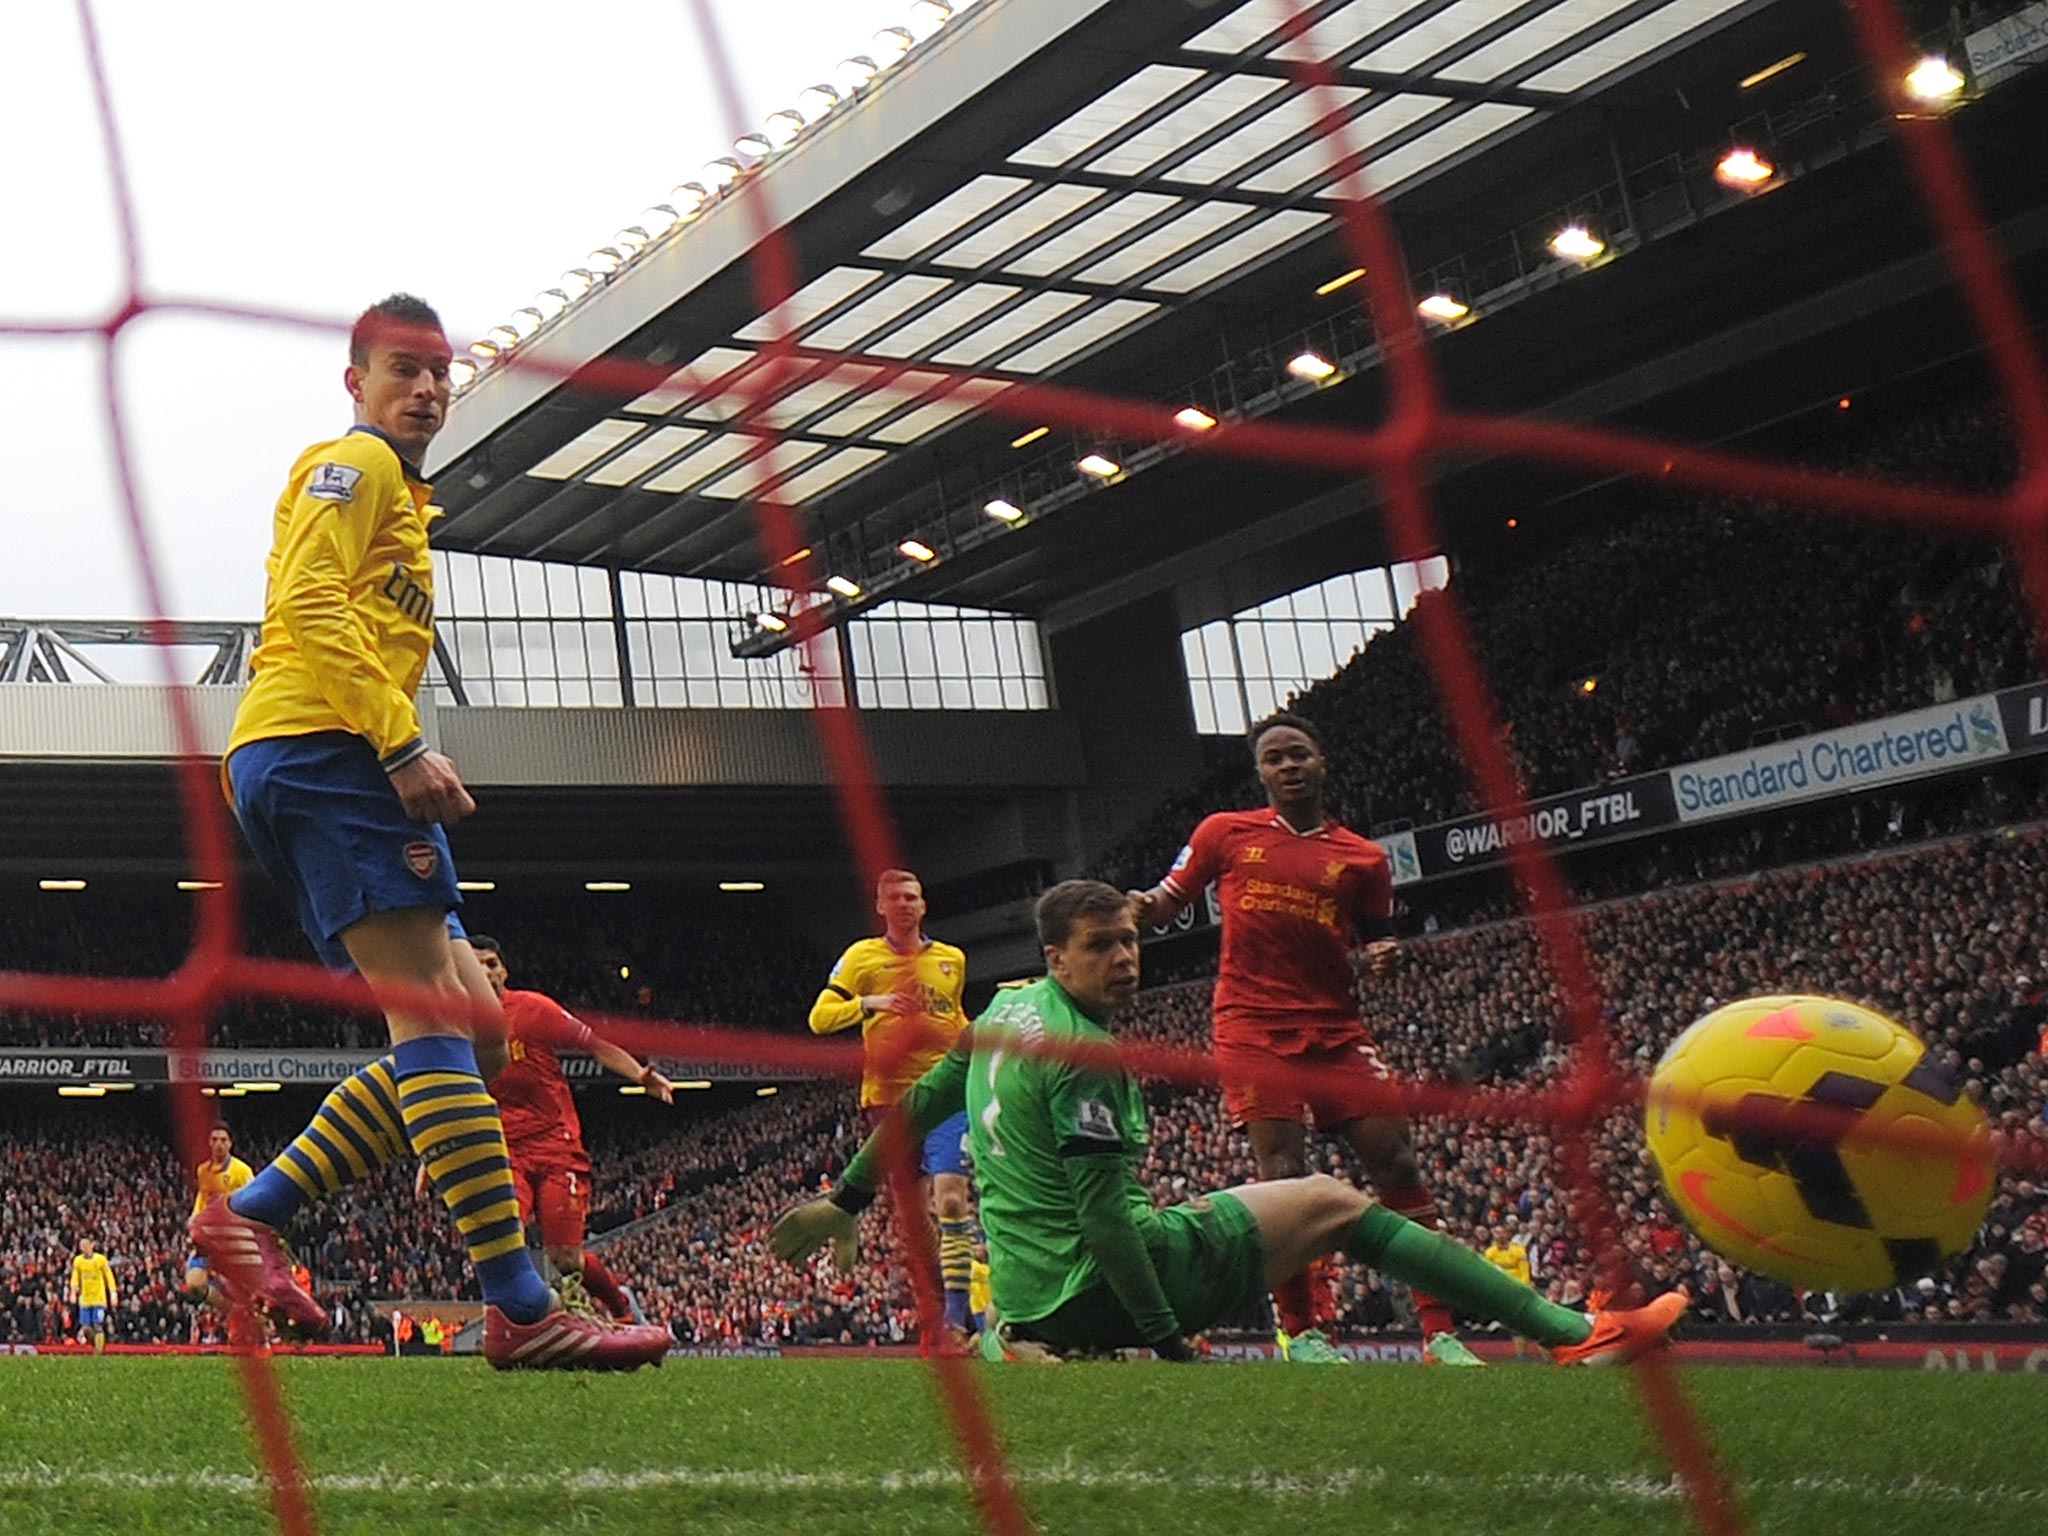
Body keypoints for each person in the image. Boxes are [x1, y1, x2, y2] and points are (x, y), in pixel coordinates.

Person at [191, 294, 668, 1372]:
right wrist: (401, 743)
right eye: (403, 369)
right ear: (355, 380)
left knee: (483, 1033)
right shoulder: (348, 465)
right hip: (324, 750)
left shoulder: (404, 498)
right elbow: (311, 607)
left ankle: (247, 1213)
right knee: (434, 1027)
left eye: (440, 374)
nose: (428, 390)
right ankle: (517, 1307)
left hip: (335, 755)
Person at [772, 881, 1686, 1367]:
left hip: (1031, 1292)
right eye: (1103, 946)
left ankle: (1035, 1336)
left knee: (1288, 1196)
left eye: (1131, 940)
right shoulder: (1084, 1057)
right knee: (1332, 1200)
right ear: (1057, 955)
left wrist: (846, 1198)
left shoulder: (1006, 1011)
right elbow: (1102, 1220)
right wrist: (1168, 1337)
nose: (1126, 959)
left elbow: (928, 1097)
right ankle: (1573, 1335)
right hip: (1099, 1284)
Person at [1127, 711, 1480, 1366]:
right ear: (1260, 773)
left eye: (1299, 755)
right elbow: (1170, 898)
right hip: (1252, 1024)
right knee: (1283, 1175)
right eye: (1275, 759)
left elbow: (1377, 933)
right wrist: (1138, 907)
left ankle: (1441, 1333)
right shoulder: (1224, 834)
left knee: (1396, 1161)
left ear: (1322, 762)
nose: (1288, 766)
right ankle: (1307, 1331)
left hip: (1336, 1029)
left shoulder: (1363, 859)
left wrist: (1385, 954)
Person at [468, 933, 672, 1323]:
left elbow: (594, 1044)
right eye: (475, 965)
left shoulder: (533, 1009)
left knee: (565, 1259)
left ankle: (620, 1308)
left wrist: (640, 1075)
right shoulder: (459, 1026)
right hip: (505, 1149)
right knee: (502, 1231)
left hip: (556, 1145)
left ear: (503, 970)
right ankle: (521, 1320)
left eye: (491, 964)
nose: (485, 972)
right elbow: (451, 1086)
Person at [809, 868, 978, 1338]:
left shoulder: (952, 959)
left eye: (913, 897)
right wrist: (872, 1002)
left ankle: (953, 1314)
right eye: (895, 898)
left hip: (945, 1092)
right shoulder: (861, 957)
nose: (905, 904)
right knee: (914, 1213)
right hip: (888, 1099)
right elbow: (820, 1018)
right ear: (881, 907)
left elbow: (955, 1013)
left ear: (923, 905)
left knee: (951, 1199)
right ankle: (945, 1304)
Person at [67, 1237, 118, 1354]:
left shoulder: (101, 1260)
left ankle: (98, 1353)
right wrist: (73, 1292)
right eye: (81, 1246)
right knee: (85, 1328)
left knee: (98, 1325)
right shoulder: (78, 1261)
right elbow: (75, 1278)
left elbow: (109, 1276)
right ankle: (96, 1344)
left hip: (99, 1299)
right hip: (85, 1299)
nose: (83, 1248)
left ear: (92, 1245)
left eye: (85, 1245)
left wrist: (113, 1293)